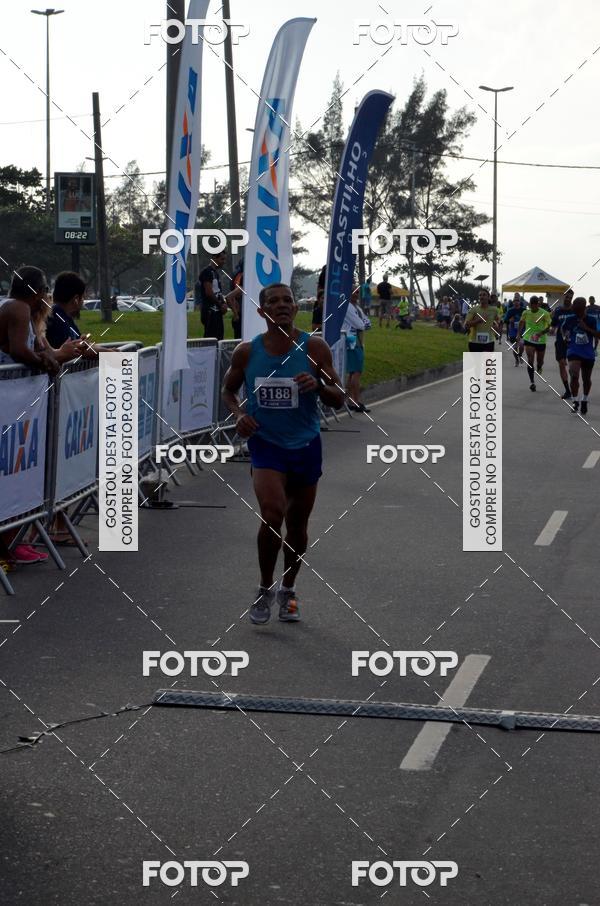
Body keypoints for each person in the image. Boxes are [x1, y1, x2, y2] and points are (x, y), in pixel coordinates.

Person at [222, 282, 344, 625]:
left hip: (305, 445)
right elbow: (228, 391)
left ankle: (288, 588)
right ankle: (264, 587)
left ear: (296, 308)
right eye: (273, 302)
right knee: (273, 515)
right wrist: (239, 415)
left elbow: (339, 396)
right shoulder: (247, 352)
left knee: (297, 525)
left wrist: (318, 386)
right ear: (262, 312)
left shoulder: (315, 348)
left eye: (287, 300)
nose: (281, 305)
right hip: (267, 445)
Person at [0, 266, 58, 373]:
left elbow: (39, 348)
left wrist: (43, 355)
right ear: (37, 292)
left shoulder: (22, 310)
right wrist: (44, 363)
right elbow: (19, 351)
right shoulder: (19, 307)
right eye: (45, 289)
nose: (46, 295)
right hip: (8, 386)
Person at [561, 296, 600, 415]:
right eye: (575, 309)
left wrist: (586, 328)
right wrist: (565, 336)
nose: (576, 312)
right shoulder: (570, 319)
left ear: (584, 308)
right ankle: (575, 401)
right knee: (574, 375)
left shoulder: (592, 320)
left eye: (579, 310)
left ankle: (584, 400)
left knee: (586, 379)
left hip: (588, 353)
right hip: (574, 351)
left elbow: (598, 335)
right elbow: (563, 329)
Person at [518, 295, 552, 391]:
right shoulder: (526, 312)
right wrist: (518, 334)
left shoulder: (544, 313)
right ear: (529, 304)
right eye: (531, 305)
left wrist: (541, 333)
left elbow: (550, 326)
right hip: (529, 338)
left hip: (541, 340)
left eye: (535, 305)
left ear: (538, 304)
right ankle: (532, 382)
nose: (533, 307)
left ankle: (540, 366)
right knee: (530, 360)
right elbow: (521, 322)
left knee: (540, 361)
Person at [343, 294, 370, 413]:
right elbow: (360, 324)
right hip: (352, 342)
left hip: (358, 342)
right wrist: (364, 323)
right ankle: (355, 401)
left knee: (352, 373)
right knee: (356, 372)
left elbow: (367, 323)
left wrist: (364, 323)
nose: (356, 295)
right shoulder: (347, 307)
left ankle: (349, 401)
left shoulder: (357, 307)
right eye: (353, 292)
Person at [551, 288, 574, 398]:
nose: (568, 299)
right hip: (560, 341)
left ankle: (574, 384)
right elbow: (554, 324)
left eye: (570, 297)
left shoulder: (575, 310)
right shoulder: (558, 310)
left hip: (573, 342)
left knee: (572, 368)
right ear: (563, 297)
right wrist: (552, 328)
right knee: (561, 364)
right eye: (566, 297)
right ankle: (567, 390)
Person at [199, 252, 227, 340]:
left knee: (219, 338)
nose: (224, 262)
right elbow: (209, 292)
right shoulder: (207, 272)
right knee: (211, 340)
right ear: (214, 258)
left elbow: (218, 292)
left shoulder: (215, 273)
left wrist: (224, 303)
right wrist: (220, 305)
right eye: (222, 259)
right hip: (210, 312)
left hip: (217, 312)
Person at [503, 295, 525, 365]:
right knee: (515, 347)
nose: (516, 302)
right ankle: (516, 360)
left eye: (517, 301)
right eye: (514, 301)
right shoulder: (510, 311)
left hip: (522, 330)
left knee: (521, 345)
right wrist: (509, 320)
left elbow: (528, 319)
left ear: (519, 302)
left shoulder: (523, 310)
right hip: (513, 330)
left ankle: (520, 355)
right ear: (513, 302)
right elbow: (505, 320)